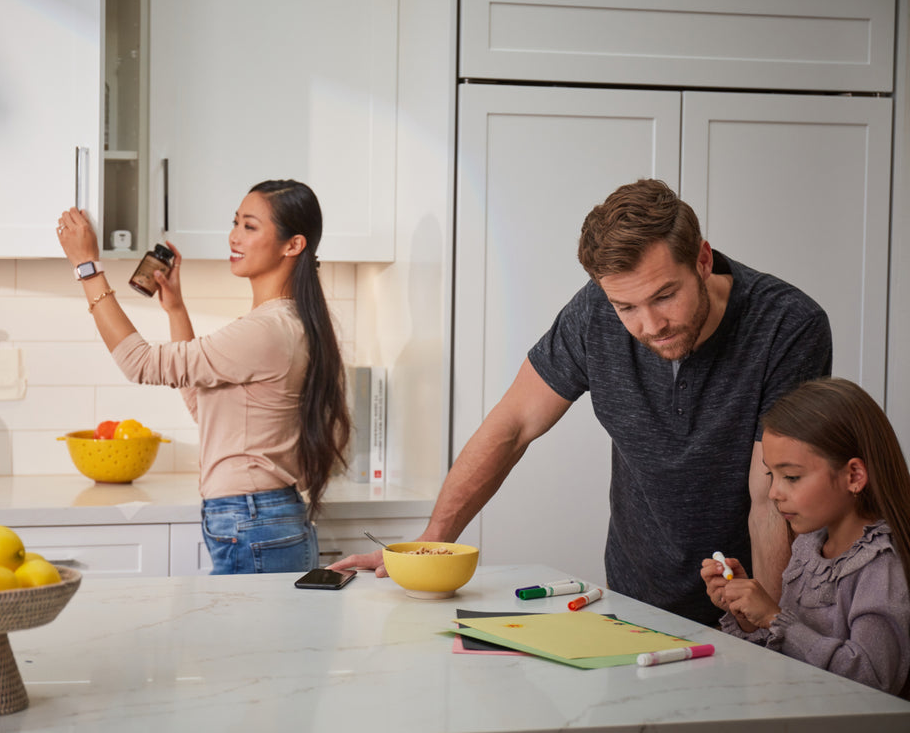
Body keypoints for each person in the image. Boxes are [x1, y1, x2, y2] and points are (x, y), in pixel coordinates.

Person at [331, 179, 832, 625]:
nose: (650, 326)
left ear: (703, 260)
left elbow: (770, 493)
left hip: (745, 600)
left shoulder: (787, 326)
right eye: (627, 307)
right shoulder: (593, 313)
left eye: (664, 296)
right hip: (632, 603)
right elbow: (512, 427)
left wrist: (772, 626)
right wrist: (428, 546)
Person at [57, 179, 350, 575]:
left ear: (292, 245)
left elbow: (139, 362)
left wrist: (86, 267)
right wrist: (176, 310)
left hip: (251, 520)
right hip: (257, 518)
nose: (234, 236)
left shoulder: (267, 330)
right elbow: (204, 406)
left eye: (250, 226)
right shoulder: (286, 322)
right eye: (235, 223)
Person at [702, 378, 910, 698]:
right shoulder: (808, 547)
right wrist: (747, 616)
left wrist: (774, 618)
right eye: (772, 475)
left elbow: (874, 680)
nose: (774, 493)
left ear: (853, 476)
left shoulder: (880, 565)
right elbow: (788, 654)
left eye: (792, 477)